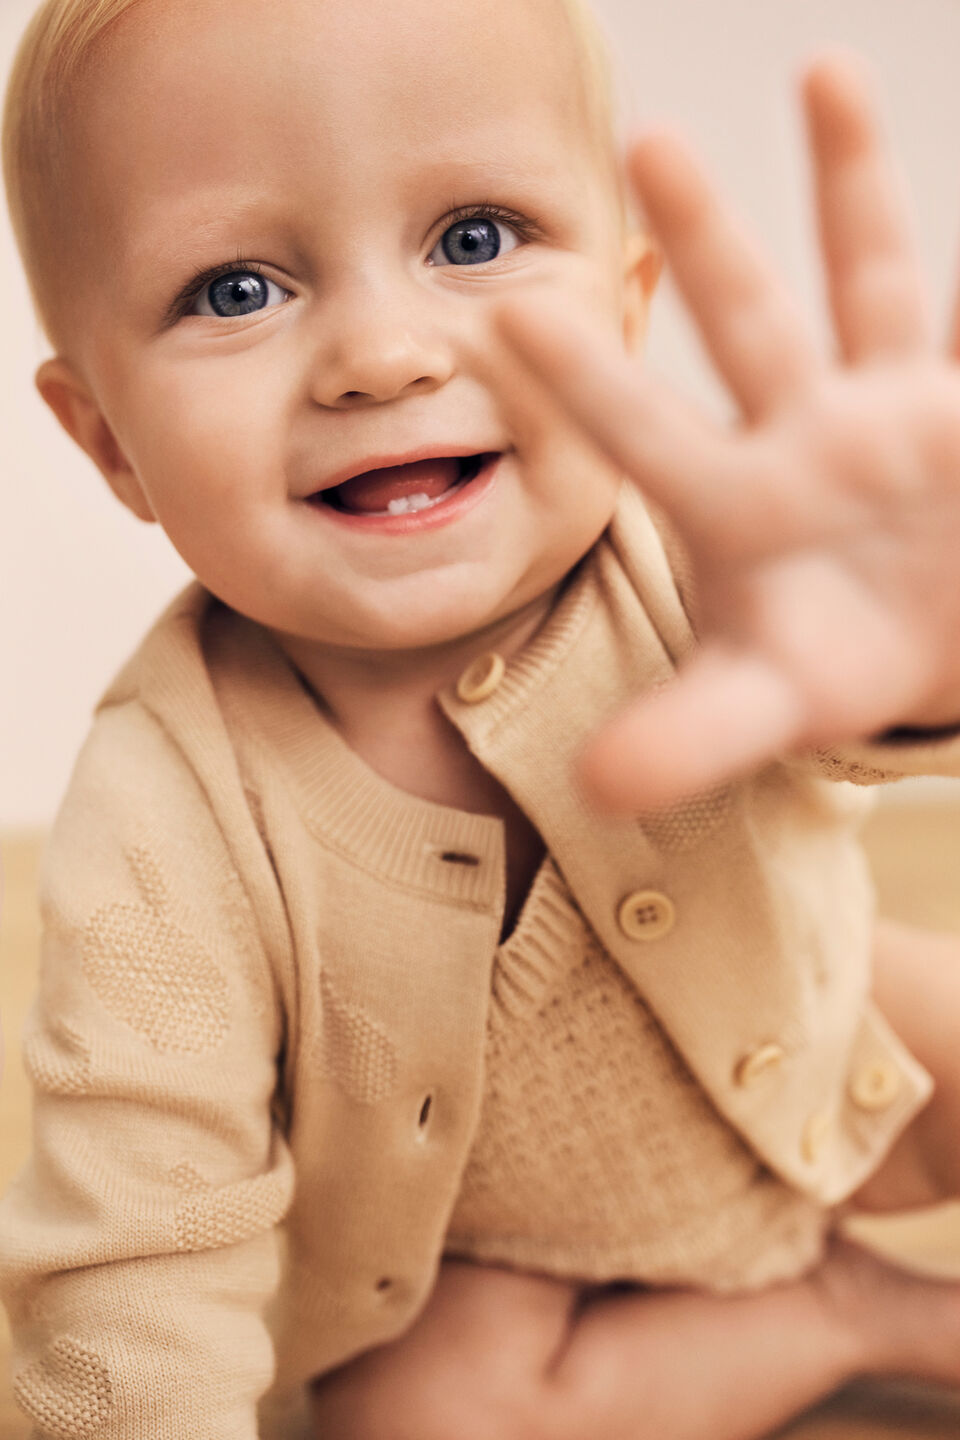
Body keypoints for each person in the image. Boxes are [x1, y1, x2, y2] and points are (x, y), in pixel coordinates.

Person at [1, 1, 960, 1437]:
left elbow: (842, 699)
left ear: (627, 317)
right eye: (238, 289)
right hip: (500, 1260)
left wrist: (919, 669)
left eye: (472, 238)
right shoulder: (168, 813)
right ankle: (848, 1312)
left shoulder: (706, 555)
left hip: (843, 1045)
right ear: (109, 443)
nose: (380, 357)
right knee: (414, 1419)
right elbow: (137, 1258)